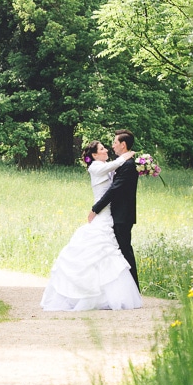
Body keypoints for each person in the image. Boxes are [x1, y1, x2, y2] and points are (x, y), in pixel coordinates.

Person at [40, 140, 143, 311]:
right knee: (99, 249)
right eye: (102, 149)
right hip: (101, 214)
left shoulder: (103, 165)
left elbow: (117, 176)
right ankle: (89, 293)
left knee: (107, 253)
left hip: (108, 214)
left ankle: (106, 294)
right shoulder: (95, 166)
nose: (106, 150)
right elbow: (116, 164)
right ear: (94, 155)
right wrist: (126, 155)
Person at [88, 129, 139, 289]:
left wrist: (95, 209)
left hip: (122, 216)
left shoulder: (128, 165)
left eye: (115, 143)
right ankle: (120, 288)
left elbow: (115, 189)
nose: (112, 146)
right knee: (116, 253)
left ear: (123, 145)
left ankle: (133, 289)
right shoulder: (117, 164)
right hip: (114, 214)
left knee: (124, 252)